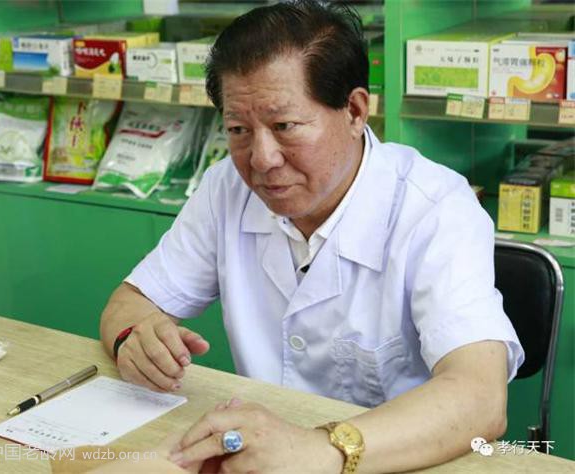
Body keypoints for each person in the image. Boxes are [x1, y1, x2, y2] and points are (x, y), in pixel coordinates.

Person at [99, 1, 524, 472]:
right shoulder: (226, 188)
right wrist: (133, 338)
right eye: (238, 129)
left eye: (285, 126)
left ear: (355, 111)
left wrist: (321, 449)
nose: (261, 159)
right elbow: (132, 301)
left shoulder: (436, 208)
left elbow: (480, 399)